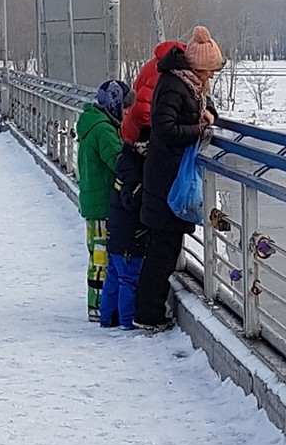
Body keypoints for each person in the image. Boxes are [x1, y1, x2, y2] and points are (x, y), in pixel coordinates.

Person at [134, 30, 225, 329]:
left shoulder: (188, 85)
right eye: (210, 70)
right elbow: (165, 131)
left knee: (164, 250)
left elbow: (206, 108)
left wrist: (207, 115)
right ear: (199, 68)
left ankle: (148, 313)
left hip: (168, 179)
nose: (211, 76)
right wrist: (199, 129)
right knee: (162, 252)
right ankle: (147, 316)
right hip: (166, 182)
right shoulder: (175, 86)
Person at [75, 79, 126, 319]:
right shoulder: (104, 130)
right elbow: (118, 162)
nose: (126, 111)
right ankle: (97, 307)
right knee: (101, 258)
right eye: (124, 106)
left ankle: (97, 305)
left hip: (93, 201)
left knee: (96, 255)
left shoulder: (92, 123)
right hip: (102, 204)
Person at [100, 128, 147, 328]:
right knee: (128, 280)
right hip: (130, 235)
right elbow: (130, 200)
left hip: (117, 232)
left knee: (113, 277)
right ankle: (127, 322)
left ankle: (108, 318)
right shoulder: (136, 170)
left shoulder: (124, 163)